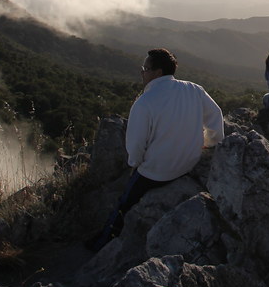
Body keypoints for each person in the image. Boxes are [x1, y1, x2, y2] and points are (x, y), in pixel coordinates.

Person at [85, 48, 224, 253]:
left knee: (124, 203)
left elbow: (135, 145)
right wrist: (210, 142)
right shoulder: (194, 89)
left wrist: (135, 164)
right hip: (189, 162)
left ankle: (102, 242)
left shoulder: (144, 103)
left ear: (157, 73)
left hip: (158, 172)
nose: (142, 72)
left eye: (145, 69)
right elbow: (215, 116)